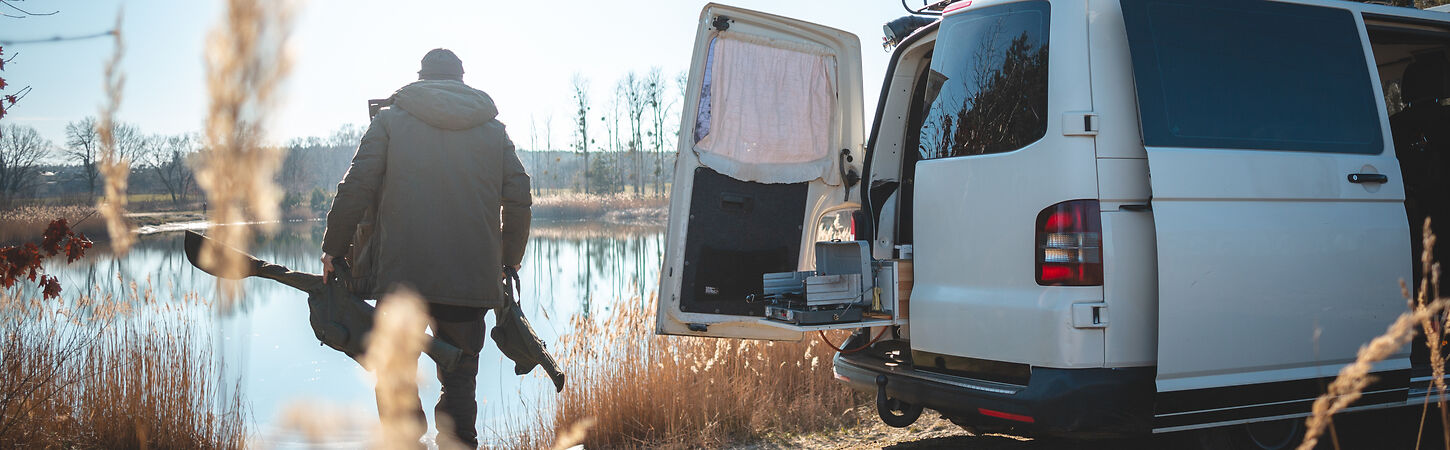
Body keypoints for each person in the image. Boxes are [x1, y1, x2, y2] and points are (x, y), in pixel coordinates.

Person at [320, 48, 532, 447]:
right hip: (470, 283)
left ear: (421, 79)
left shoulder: (389, 121)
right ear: (462, 80)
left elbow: (356, 186)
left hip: (401, 281)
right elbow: (519, 196)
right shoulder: (494, 130)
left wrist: (334, 249)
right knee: (460, 378)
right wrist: (506, 263)